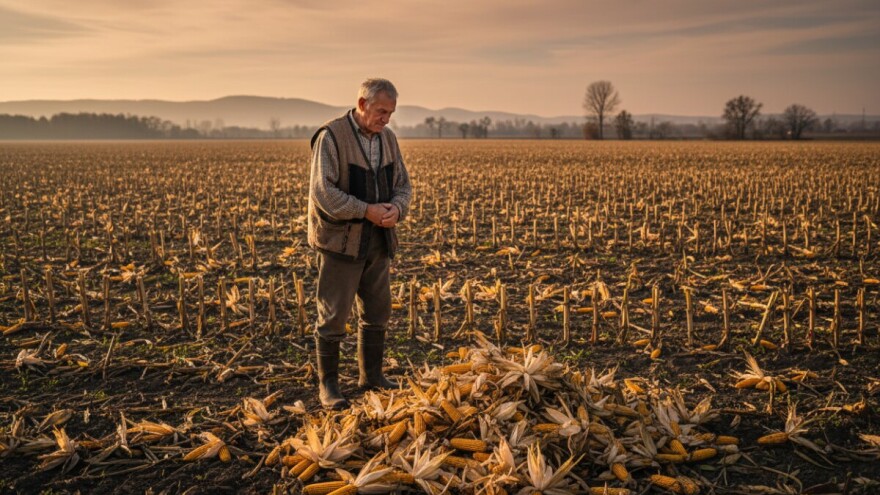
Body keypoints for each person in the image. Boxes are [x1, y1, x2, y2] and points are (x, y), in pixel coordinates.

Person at [307, 78, 412, 410]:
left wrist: (397, 208)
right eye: (381, 111)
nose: (386, 119)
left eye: (391, 113)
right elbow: (325, 195)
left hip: (378, 240)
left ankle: (372, 376)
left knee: (378, 311)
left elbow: (403, 185)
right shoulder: (332, 137)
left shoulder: (389, 139)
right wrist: (366, 211)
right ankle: (329, 386)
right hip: (341, 243)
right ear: (362, 104)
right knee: (334, 316)